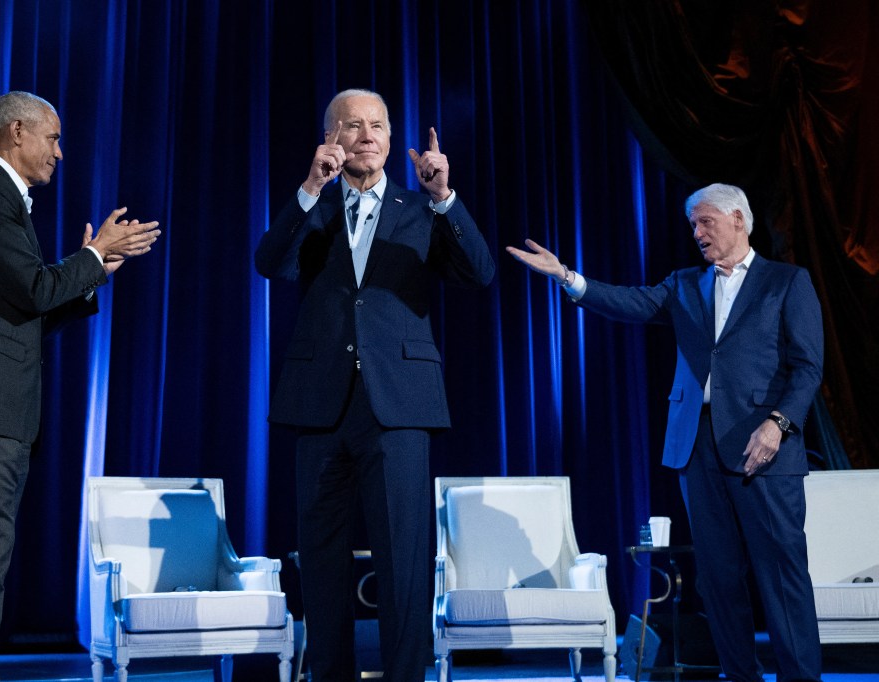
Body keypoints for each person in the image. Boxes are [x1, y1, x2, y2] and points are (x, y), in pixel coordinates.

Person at [507, 183, 823, 682]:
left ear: (738, 219)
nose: (696, 232)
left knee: (781, 574)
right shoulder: (684, 285)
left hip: (765, 447)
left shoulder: (786, 282)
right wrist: (569, 277)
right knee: (719, 579)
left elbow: (807, 367)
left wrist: (778, 425)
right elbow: (631, 303)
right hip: (697, 447)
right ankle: (741, 677)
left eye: (705, 221)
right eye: (693, 224)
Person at [0, 91, 160, 682]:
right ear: (17, 132)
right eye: (52, 138)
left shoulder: (5, 202)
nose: (60, 152)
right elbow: (31, 289)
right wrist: (93, 257)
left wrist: (89, 273)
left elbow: (27, 307)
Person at [255, 89, 494, 682]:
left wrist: (444, 197)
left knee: (404, 561)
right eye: (353, 125)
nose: (367, 135)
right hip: (321, 403)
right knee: (323, 561)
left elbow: (480, 273)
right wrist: (310, 189)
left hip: (400, 405)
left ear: (391, 139)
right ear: (330, 137)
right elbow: (269, 262)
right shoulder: (314, 206)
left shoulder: (421, 211)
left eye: (379, 126)